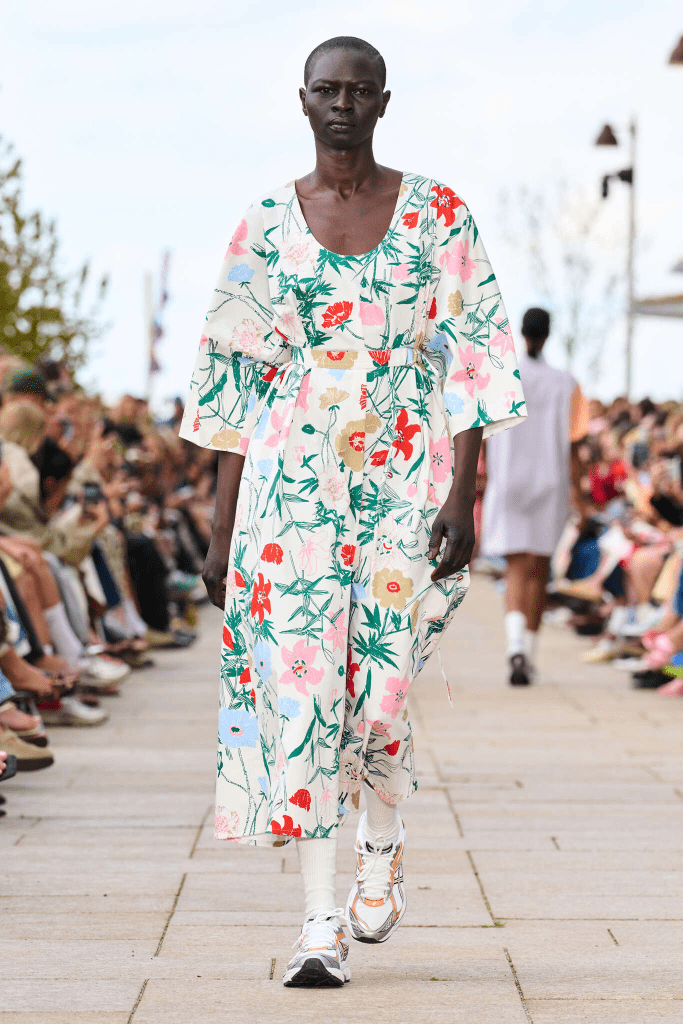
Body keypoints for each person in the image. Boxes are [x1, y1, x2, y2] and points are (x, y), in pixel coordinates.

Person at [180, 36, 525, 987]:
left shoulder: (438, 213)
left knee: (382, 684)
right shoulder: (263, 223)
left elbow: (475, 358)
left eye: (358, 91)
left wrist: (464, 491)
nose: (342, 104)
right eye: (326, 90)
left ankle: (381, 837)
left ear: (382, 102)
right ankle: (319, 921)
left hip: (405, 469)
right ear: (302, 100)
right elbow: (231, 383)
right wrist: (219, 531)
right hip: (290, 483)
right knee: (302, 693)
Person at [481, 308, 589, 686]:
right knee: (539, 570)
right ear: (548, 334)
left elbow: (485, 432)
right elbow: (575, 445)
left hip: (508, 480)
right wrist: (581, 496)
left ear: (522, 331)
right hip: (550, 481)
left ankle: (514, 647)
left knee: (515, 569)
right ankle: (528, 652)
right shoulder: (566, 383)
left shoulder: (503, 375)